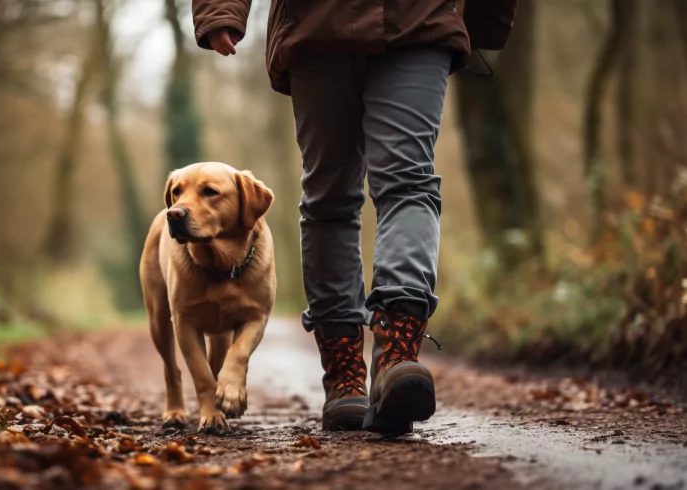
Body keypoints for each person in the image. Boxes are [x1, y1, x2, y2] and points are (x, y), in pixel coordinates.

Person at [191, 0, 518, 433]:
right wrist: (220, 11)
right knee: (338, 196)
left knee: (398, 184)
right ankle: (345, 374)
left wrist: (481, 18)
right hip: (320, 23)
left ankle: (397, 352)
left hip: (417, 21)